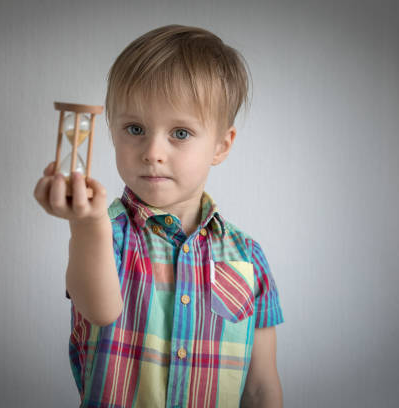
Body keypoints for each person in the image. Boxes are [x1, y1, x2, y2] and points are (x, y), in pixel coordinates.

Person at [34, 24, 285, 408]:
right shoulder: (108, 233)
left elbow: (261, 388)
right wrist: (85, 224)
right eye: (135, 128)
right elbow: (101, 310)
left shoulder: (249, 258)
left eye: (180, 133)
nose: (152, 151)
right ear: (113, 132)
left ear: (221, 145)